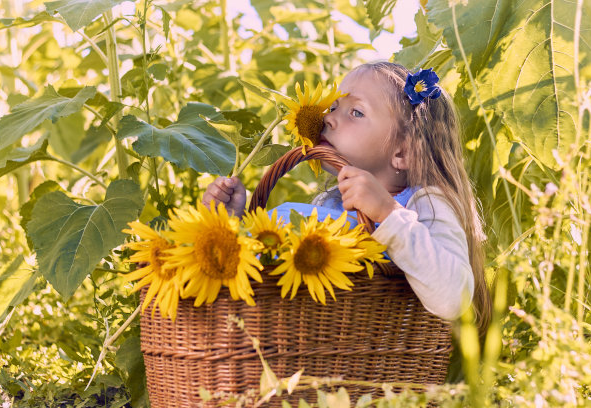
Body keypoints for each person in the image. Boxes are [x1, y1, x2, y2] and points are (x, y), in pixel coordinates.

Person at [201, 62, 492, 333]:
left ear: (403, 152)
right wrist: (233, 222)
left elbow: (455, 298)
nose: (328, 118)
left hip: (365, 351)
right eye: (335, 106)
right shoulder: (328, 203)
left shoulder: (424, 202)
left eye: (356, 112)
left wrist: (388, 215)